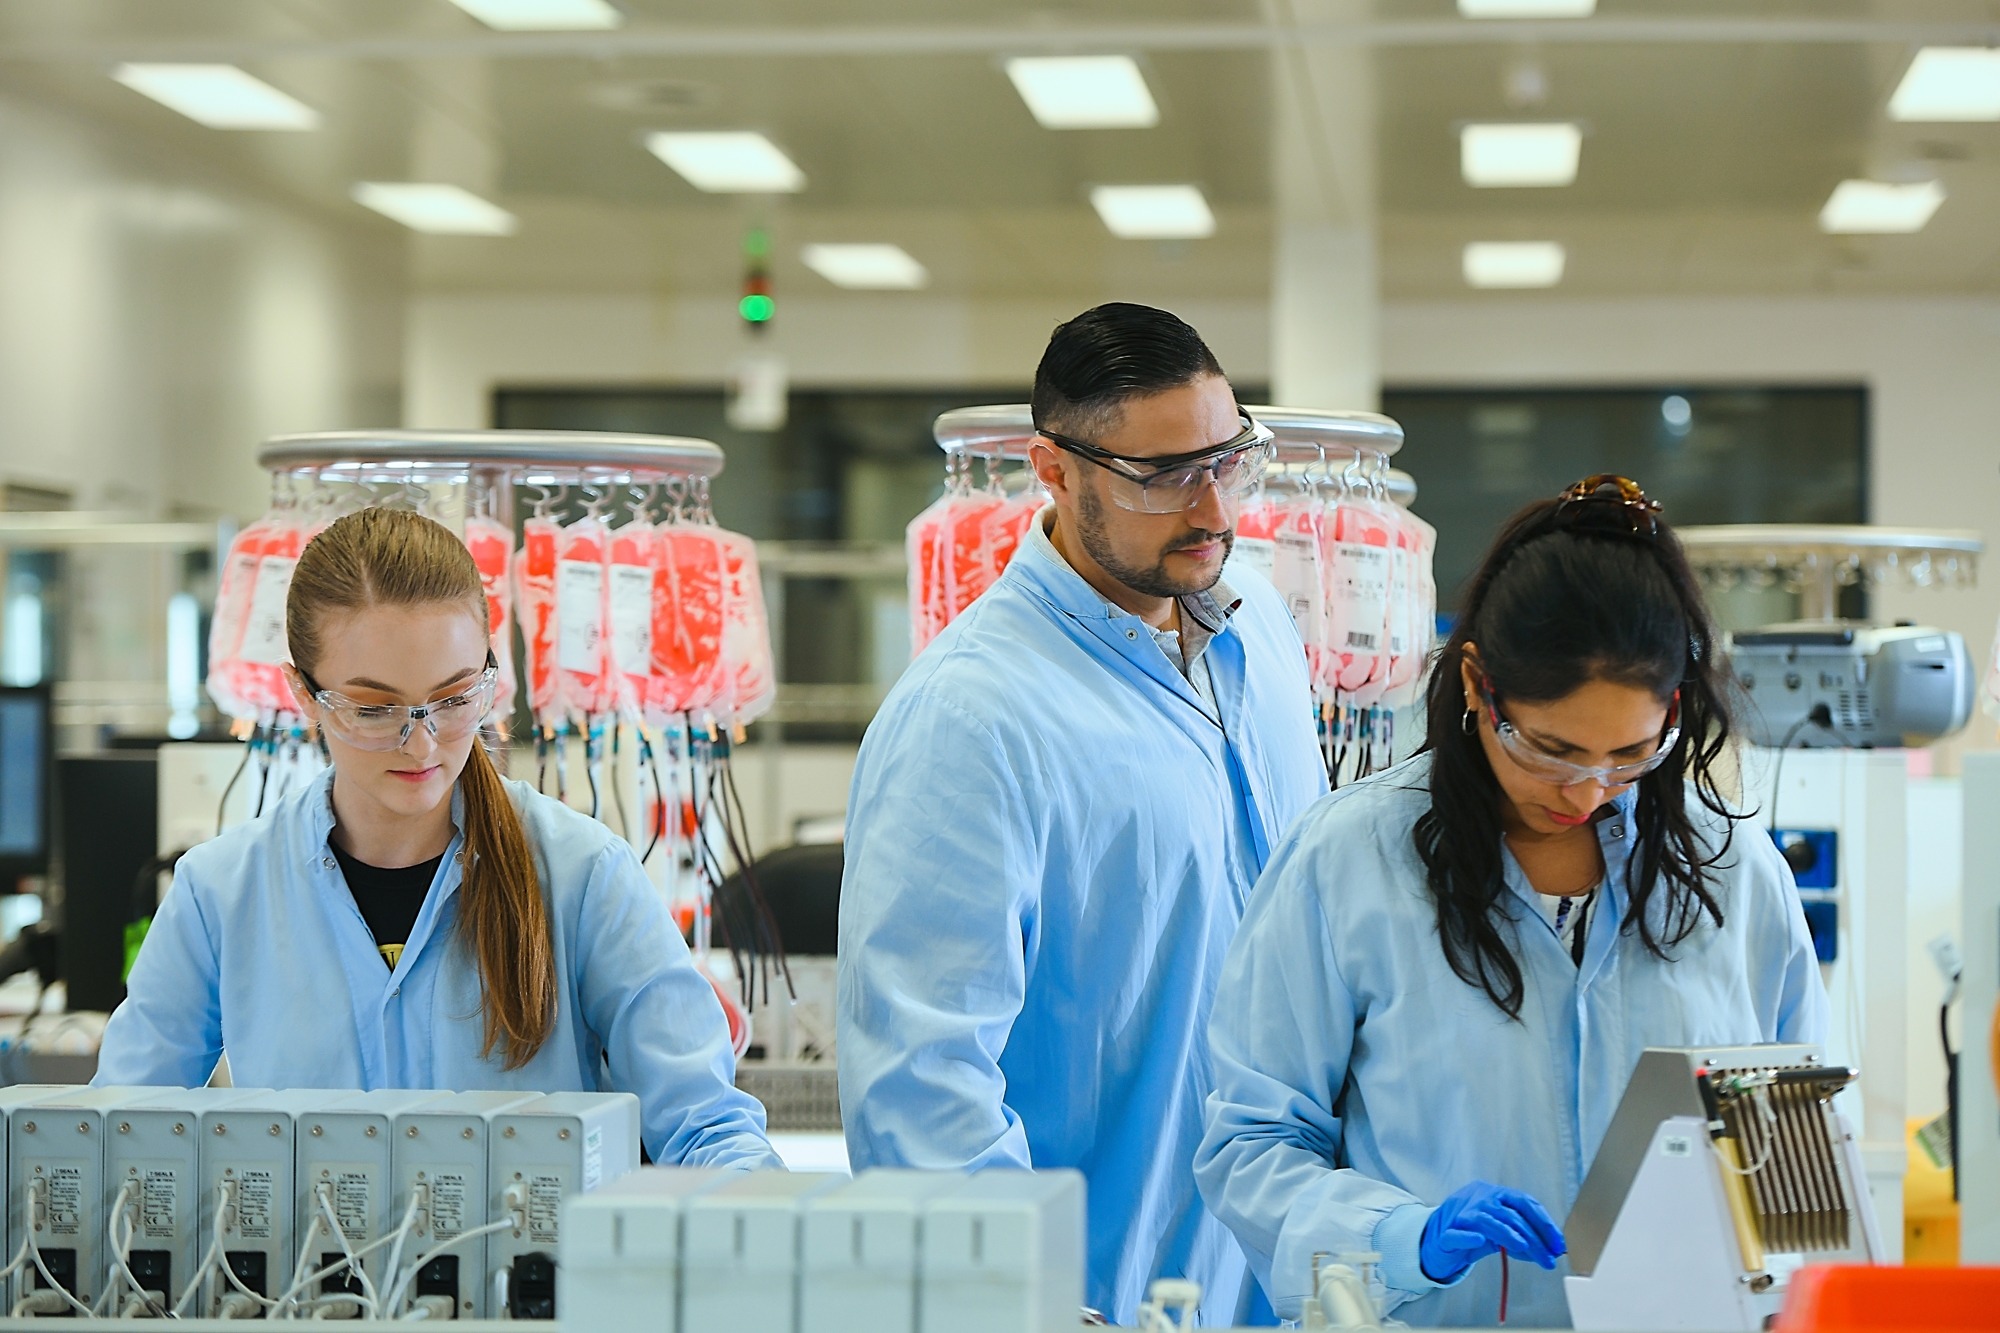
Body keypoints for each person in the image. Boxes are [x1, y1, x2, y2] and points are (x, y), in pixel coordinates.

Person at [1194, 476, 1828, 1327]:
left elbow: (1791, 1149)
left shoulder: (1734, 875)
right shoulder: (1349, 859)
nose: (1589, 789)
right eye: (1551, 748)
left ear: (1675, 710)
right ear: (1477, 686)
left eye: (1631, 752)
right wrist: (1399, 1236)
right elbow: (1252, 1145)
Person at [838, 303, 1329, 1324]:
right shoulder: (970, 719)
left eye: (1227, 460)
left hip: (1282, 1288)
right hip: (1098, 1301)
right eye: (1162, 477)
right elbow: (922, 1097)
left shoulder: (1263, 633)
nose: (1212, 510)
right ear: (1053, 473)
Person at [96, 507, 780, 1171]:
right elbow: (116, 1132)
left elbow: (707, 1126)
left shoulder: (582, 875)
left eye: (454, 699)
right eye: (373, 708)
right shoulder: (223, 892)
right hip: (307, 1288)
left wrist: (758, 1228)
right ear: (303, 695)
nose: (421, 742)